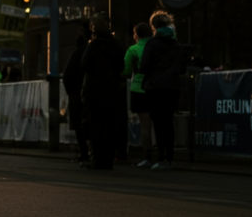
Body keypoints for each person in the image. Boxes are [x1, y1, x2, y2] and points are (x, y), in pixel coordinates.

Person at [140, 11, 186, 170]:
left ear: (154, 26)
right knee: (168, 122)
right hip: (172, 88)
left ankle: (160, 157)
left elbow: (144, 66)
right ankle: (170, 158)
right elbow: (182, 67)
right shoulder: (176, 45)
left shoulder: (152, 43)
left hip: (154, 87)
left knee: (157, 124)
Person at [80, 14, 125, 170]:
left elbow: (83, 64)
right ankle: (109, 160)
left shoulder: (94, 45)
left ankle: (97, 160)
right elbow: (121, 66)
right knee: (111, 126)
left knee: (96, 127)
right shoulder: (116, 45)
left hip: (94, 91)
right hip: (112, 91)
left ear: (94, 30)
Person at [124, 23, 155, 167]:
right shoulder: (155, 48)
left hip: (138, 89)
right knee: (161, 123)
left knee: (145, 125)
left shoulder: (133, 50)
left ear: (136, 34)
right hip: (156, 88)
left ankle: (148, 156)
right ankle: (164, 155)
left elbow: (126, 71)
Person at [63, 26, 93, 162]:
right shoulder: (97, 51)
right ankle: (96, 153)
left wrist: (72, 92)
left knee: (80, 126)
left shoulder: (76, 54)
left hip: (78, 94)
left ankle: (84, 152)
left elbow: (67, 75)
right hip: (94, 93)